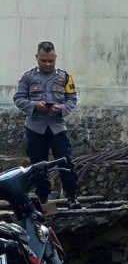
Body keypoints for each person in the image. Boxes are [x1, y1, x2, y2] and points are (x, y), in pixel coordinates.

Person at [13, 41, 81, 209]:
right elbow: (18, 99)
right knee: (38, 165)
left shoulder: (65, 77)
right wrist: (34, 105)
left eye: (51, 61)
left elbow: (72, 99)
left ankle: (72, 197)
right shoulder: (28, 77)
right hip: (35, 127)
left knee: (65, 161)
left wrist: (62, 109)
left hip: (57, 126)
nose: (48, 64)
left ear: (55, 57)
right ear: (37, 57)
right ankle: (42, 199)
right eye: (44, 61)